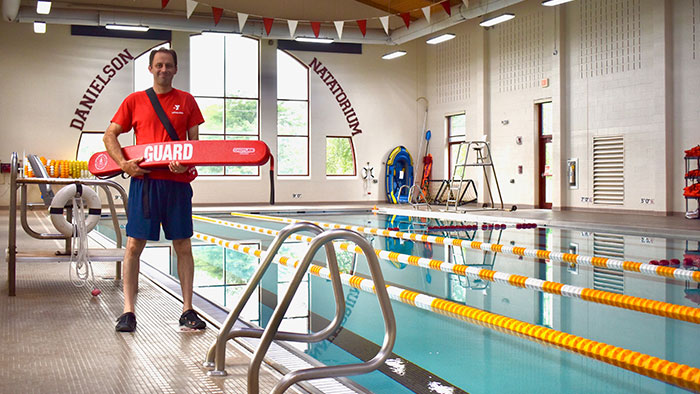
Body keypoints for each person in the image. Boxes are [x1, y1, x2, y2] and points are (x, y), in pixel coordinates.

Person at [103, 48, 206, 332]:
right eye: (158, 65)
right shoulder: (135, 100)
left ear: (175, 69)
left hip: (177, 185)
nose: (163, 69)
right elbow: (109, 134)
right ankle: (128, 312)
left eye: (168, 65)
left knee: (183, 246)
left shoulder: (187, 101)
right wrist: (124, 164)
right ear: (150, 69)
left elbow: (195, 144)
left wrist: (186, 164)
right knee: (134, 246)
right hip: (145, 184)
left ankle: (187, 310)